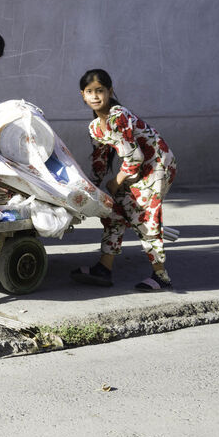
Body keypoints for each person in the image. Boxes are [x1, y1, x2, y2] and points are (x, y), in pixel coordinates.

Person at [71, 68, 178, 291]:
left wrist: (116, 181)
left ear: (110, 92)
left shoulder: (118, 115)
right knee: (115, 213)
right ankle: (104, 268)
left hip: (157, 165)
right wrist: (90, 188)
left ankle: (161, 276)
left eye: (100, 90)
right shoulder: (95, 127)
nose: (95, 96)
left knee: (144, 216)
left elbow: (135, 157)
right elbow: (100, 161)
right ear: (82, 95)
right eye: (89, 91)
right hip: (135, 170)